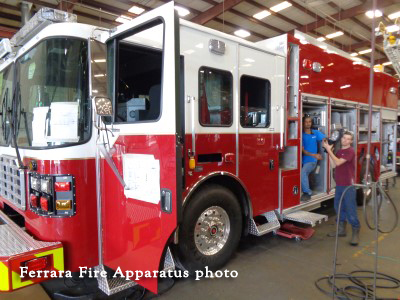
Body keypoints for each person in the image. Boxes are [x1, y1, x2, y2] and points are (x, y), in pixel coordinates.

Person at [323, 131, 360, 246]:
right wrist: (330, 153)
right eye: (344, 138)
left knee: (350, 209)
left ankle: (355, 231)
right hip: (339, 184)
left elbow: (338, 162)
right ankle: (341, 230)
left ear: (351, 141)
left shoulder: (350, 151)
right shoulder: (339, 151)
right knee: (338, 208)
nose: (345, 140)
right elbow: (334, 165)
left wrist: (328, 150)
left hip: (348, 185)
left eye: (348, 139)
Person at [301, 116, 325, 201]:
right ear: (303, 123)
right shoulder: (301, 135)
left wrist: (329, 148)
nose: (308, 123)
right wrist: (314, 155)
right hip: (304, 160)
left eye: (309, 122)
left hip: (312, 161)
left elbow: (326, 139)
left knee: (303, 173)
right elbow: (303, 151)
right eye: (306, 122)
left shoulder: (315, 133)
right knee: (303, 174)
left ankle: (307, 193)